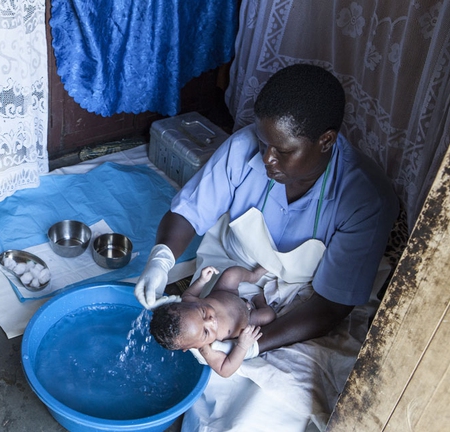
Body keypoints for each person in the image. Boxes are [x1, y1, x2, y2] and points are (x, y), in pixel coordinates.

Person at [135, 63, 398, 357]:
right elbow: (188, 211)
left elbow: (331, 306)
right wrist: (161, 259)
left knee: (259, 392)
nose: (267, 159)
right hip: (231, 267)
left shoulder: (366, 198)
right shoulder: (241, 148)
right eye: (263, 144)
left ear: (326, 141)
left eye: (283, 151)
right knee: (196, 350)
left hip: (306, 297)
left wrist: (250, 347)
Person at [150, 265, 275, 377]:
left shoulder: (189, 302)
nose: (211, 321)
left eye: (203, 313)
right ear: (195, 346)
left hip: (225, 292)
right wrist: (242, 345)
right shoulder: (206, 349)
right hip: (248, 317)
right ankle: (260, 302)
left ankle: (253, 276)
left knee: (231, 273)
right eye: (206, 332)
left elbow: (189, 294)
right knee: (269, 316)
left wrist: (202, 280)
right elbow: (224, 370)